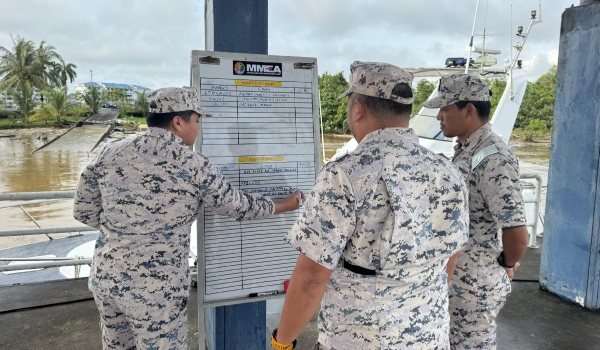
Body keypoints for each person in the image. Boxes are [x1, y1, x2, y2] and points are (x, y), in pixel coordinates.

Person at [73, 86, 304, 350]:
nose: (198, 127)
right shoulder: (192, 164)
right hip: (157, 291)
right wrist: (283, 206)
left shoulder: (110, 152)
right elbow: (237, 206)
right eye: (197, 120)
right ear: (178, 122)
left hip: (107, 280)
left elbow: (84, 211)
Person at [271, 62, 470, 350]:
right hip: (430, 338)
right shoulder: (449, 171)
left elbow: (311, 278)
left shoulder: (345, 175)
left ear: (358, 109)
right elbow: (450, 257)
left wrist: (282, 342)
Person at [423, 74, 529, 349]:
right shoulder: (468, 150)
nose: (439, 117)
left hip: (475, 286)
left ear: (469, 110)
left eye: (445, 109)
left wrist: (506, 265)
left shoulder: (492, 157)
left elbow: (516, 232)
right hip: (457, 280)